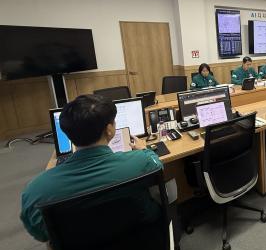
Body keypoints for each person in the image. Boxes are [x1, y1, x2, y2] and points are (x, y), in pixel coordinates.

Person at [20, 95, 166, 242]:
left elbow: (41, 234)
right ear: (109, 130)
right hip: (142, 242)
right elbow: (157, 165)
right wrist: (143, 149)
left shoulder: (35, 191)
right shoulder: (142, 161)